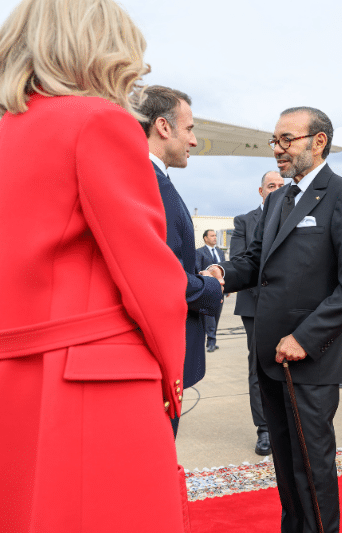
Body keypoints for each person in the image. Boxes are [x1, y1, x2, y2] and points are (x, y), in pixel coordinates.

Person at [0, 0, 190, 530]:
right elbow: (151, 281)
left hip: (15, 377)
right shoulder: (98, 122)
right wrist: (171, 380)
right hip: (94, 384)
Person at [204, 107, 342, 533]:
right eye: (274, 141)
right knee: (285, 461)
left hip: (308, 357)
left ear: (318, 142)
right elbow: (257, 258)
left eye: (286, 140)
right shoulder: (280, 198)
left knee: (312, 466)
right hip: (269, 354)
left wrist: (304, 336)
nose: (277, 150)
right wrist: (224, 274)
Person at [135, 85, 224, 438]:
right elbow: (160, 277)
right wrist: (211, 287)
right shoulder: (151, 185)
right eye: (189, 129)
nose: (193, 141)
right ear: (163, 127)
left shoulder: (153, 180)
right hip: (161, 356)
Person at [229, 170, 284, 456]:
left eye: (281, 185)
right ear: (261, 191)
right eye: (270, 186)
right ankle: (264, 429)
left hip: (289, 304)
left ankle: (289, 425)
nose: (276, 189)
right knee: (260, 366)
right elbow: (239, 262)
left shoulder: (294, 215)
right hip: (255, 306)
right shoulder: (244, 222)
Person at [196, 229, 227, 352]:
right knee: (209, 316)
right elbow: (198, 269)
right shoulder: (199, 252)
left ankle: (212, 340)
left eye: (215, 235)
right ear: (205, 238)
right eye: (212, 236)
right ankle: (211, 341)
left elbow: (224, 270)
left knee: (217, 315)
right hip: (207, 290)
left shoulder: (220, 252)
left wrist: (228, 288)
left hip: (221, 289)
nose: (215, 237)